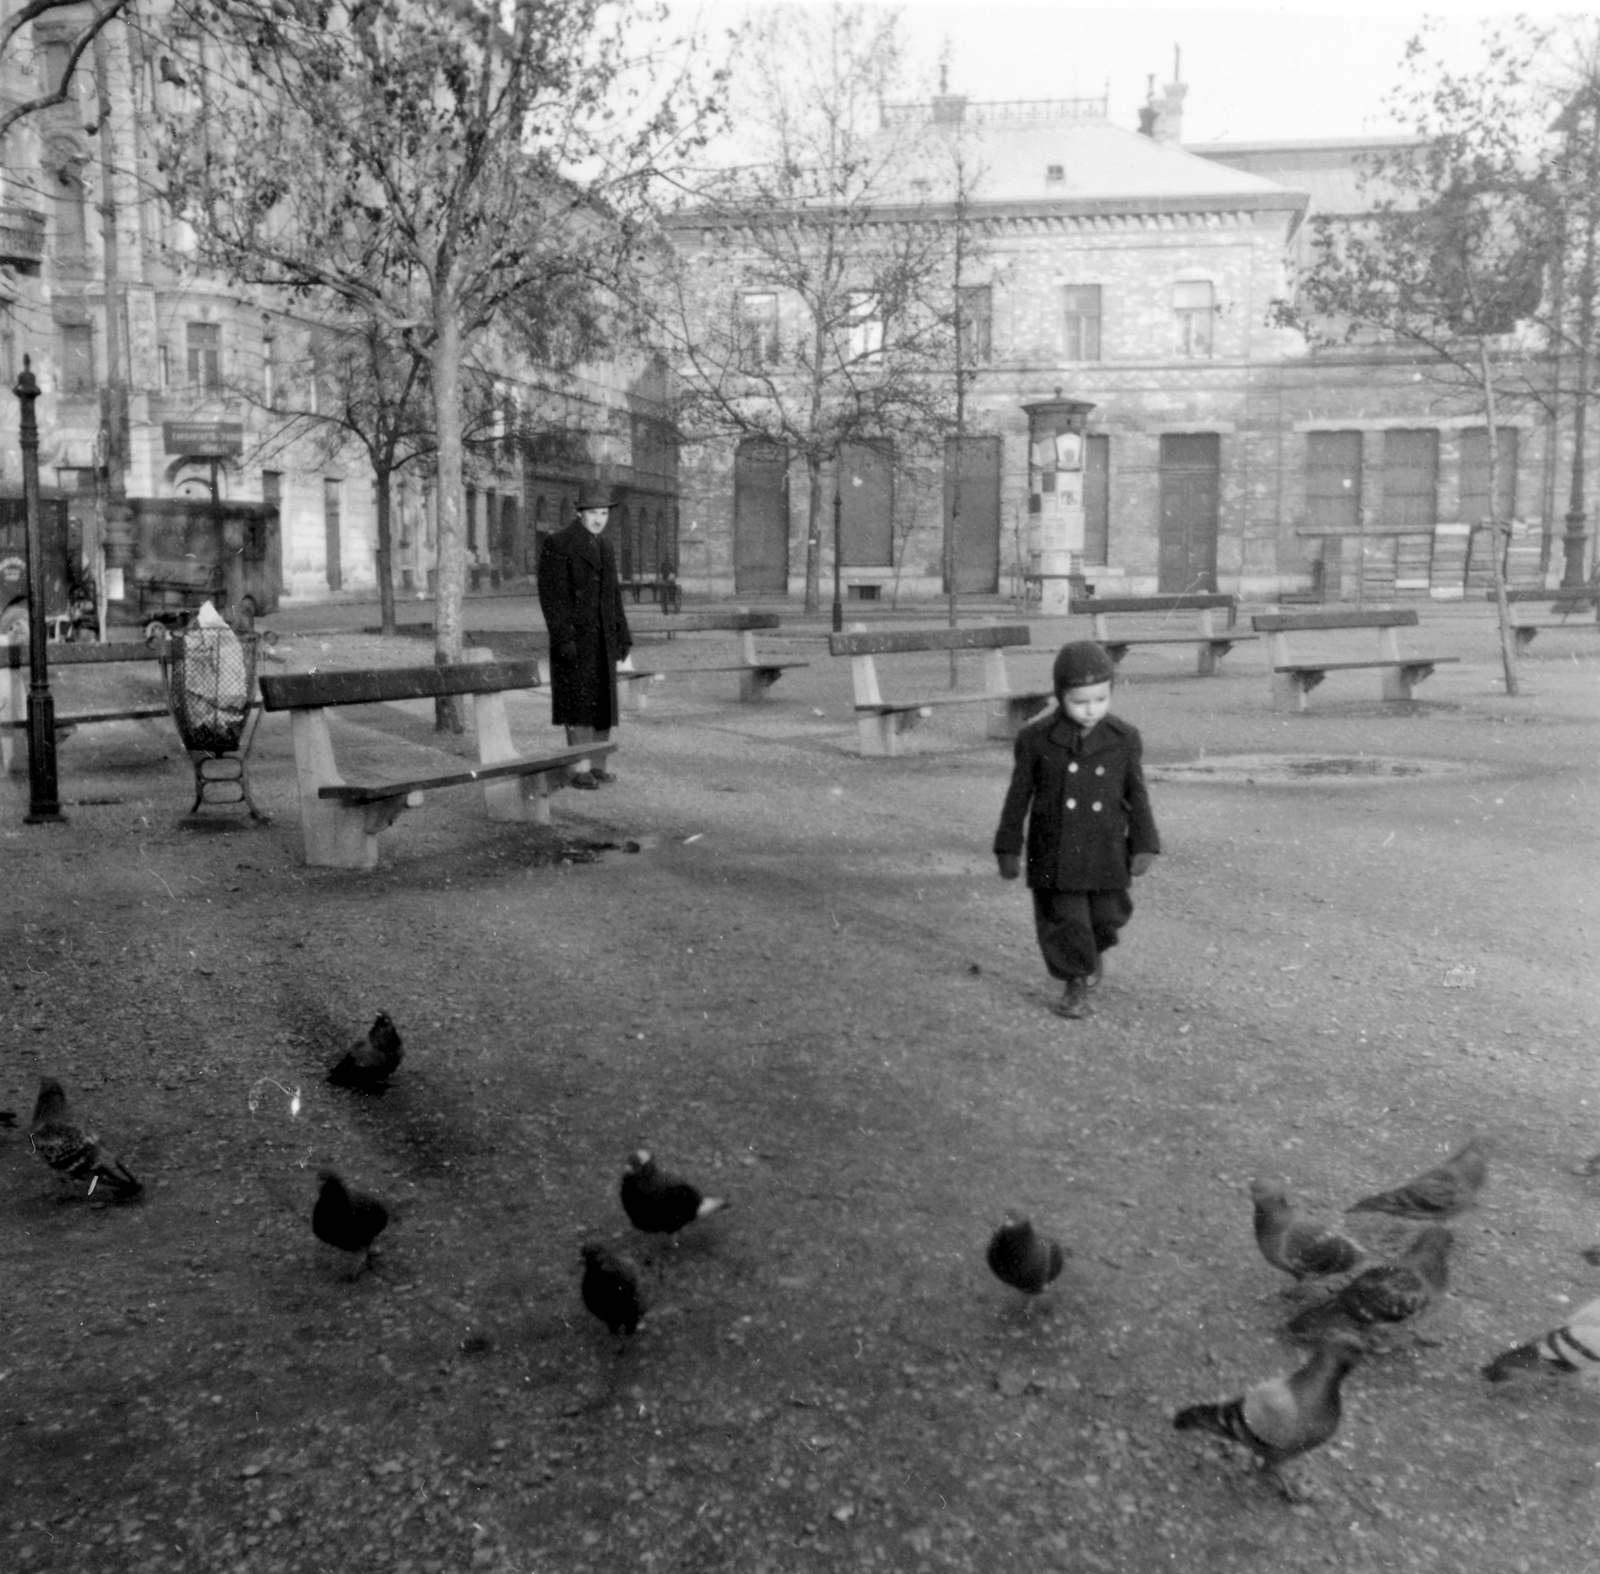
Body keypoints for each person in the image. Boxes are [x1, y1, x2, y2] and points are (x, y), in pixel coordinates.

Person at [993, 639, 1160, 1020]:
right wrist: (1008, 846)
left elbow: (1137, 793)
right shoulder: (1035, 739)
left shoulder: (1123, 738)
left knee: (1108, 916)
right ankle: (1075, 981)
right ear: (1059, 695)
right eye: (1080, 701)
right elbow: (1018, 797)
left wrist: (1144, 842)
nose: (1091, 710)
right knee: (1066, 920)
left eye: (1101, 699)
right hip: (1054, 848)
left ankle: (1090, 951)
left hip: (1104, 847)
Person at [536, 481, 632, 788]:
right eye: (593, 513)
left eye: (603, 513)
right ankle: (579, 769)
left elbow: (613, 595)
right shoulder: (559, 544)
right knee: (578, 704)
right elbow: (552, 598)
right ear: (579, 513)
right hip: (575, 641)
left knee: (602, 703)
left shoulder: (604, 546)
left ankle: (598, 765)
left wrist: (622, 634)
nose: (599, 519)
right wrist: (563, 638)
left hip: (603, 638)